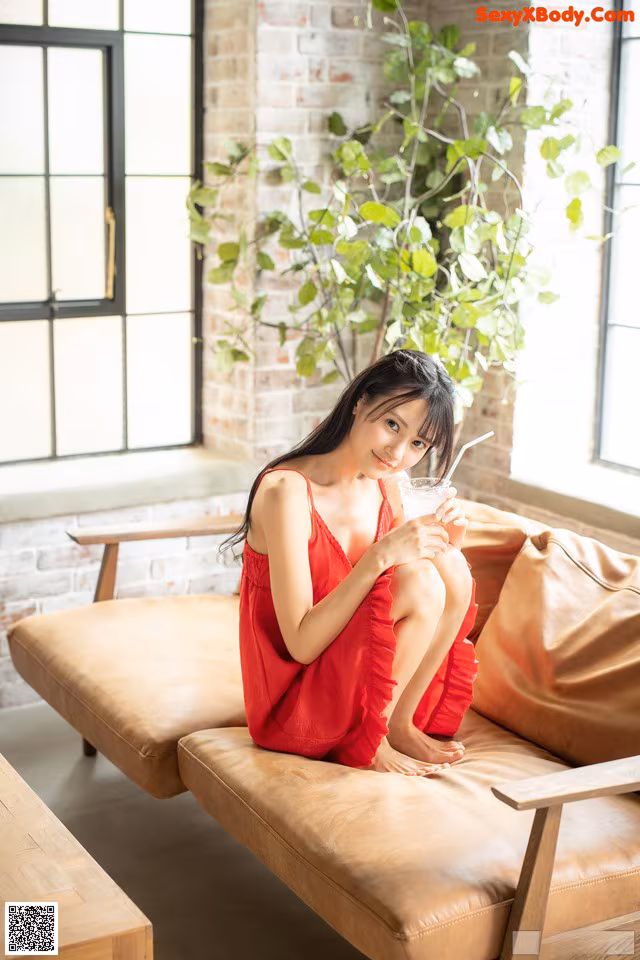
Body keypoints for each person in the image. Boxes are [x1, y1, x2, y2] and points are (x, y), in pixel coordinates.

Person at [220, 349, 479, 777]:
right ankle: (370, 738)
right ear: (360, 401)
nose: (397, 452)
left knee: (448, 568)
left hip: (353, 684)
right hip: (294, 703)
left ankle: (397, 722)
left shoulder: (387, 486)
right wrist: (378, 557)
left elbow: (404, 596)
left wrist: (444, 542)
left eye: (418, 443)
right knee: (421, 584)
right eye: (392, 424)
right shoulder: (286, 491)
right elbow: (301, 644)